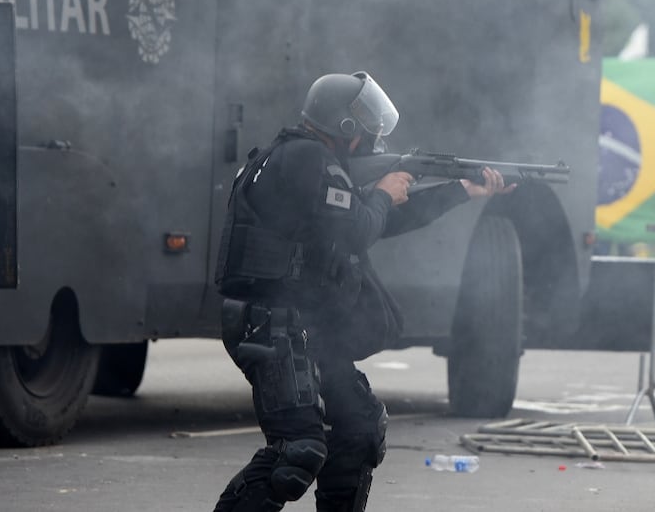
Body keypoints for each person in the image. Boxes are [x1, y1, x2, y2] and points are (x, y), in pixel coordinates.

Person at [213, 71, 512, 511]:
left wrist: (461, 191)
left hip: (300, 327)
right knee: (297, 453)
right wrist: (384, 195)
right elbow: (358, 229)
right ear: (345, 126)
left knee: (358, 429)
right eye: (366, 125)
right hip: (270, 325)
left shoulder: (312, 161)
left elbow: (376, 223)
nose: (374, 136)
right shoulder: (305, 159)